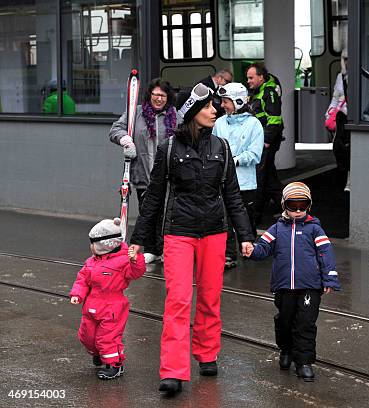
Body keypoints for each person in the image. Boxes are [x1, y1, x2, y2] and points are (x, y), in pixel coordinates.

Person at [129, 83, 255, 395]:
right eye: (208, 106)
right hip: (179, 233)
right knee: (178, 301)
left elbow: (233, 197)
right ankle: (173, 370)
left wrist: (246, 236)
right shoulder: (168, 148)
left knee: (211, 297)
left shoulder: (222, 148)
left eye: (215, 105)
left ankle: (207, 352)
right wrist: (138, 239)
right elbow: (154, 197)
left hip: (214, 232)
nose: (216, 110)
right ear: (190, 112)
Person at [245, 182, 340, 382]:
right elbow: (263, 247)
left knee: (305, 323)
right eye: (292, 205)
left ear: (309, 206)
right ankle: (286, 350)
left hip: (310, 286)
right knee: (285, 321)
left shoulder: (315, 229)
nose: (297, 210)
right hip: (284, 286)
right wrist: (253, 250)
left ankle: (304, 362)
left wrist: (329, 277)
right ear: (283, 205)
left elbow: (326, 253)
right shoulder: (277, 229)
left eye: (302, 205)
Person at [109, 78, 177, 264]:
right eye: (155, 94)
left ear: (167, 97)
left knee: (167, 215)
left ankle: (166, 250)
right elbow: (115, 129)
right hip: (143, 174)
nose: (158, 99)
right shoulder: (136, 113)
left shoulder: (174, 116)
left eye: (162, 95)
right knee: (148, 213)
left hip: (169, 176)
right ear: (149, 95)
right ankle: (153, 249)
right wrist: (125, 140)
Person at [70, 218, 145, 380]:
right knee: (87, 335)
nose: (90, 247)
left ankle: (115, 365)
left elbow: (136, 272)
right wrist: (77, 294)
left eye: (93, 243)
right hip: (91, 305)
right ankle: (99, 353)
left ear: (104, 245)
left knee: (108, 338)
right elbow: (82, 279)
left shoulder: (124, 260)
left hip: (112, 307)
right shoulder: (91, 262)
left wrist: (135, 259)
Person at [212, 82, 264, 269]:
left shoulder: (254, 124)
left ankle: (249, 247)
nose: (222, 105)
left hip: (245, 182)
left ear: (239, 101)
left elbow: (255, 154)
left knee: (245, 218)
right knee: (224, 218)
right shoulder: (219, 122)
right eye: (223, 101)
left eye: (226, 101)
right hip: (222, 181)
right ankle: (228, 254)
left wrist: (233, 160)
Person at [246, 62, 284, 225]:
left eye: (251, 78)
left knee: (262, 178)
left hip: (266, 142)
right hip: (262, 140)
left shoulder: (269, 92)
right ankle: (286, 207)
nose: (248, 81)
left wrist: (266, 141)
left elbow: (275, 119)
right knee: (269, 177)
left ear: (261, 77)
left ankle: (256, 215)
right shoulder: (258, 90)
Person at [325, 49, 350, 192]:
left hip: (351, 118)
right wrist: (328, 114)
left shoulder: (360, 75)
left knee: (349, 151)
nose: (346, 62)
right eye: (344, 59)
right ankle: (344, 181)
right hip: (341, 118)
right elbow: (336, 98)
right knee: (339, 149)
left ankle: (349, 181)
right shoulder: (340, 76)